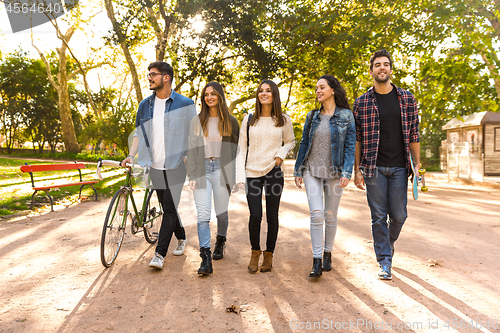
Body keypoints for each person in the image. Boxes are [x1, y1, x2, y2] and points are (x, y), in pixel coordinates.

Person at [122, 61, 196, 270]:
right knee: (167, 208)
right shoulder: (145, 105)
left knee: (171, 209)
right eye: (148, 75)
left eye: (153, 74)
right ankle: (181, 237)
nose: (149, 78)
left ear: (166, 77)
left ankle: (159, 254)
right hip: (155, 165)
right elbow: (139, 133)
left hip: (176, 165)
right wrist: (130, 155)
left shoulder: (185, 104)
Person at [353, 49, 420, 280]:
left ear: (391, 69)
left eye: (386, 64)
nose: (382, 68)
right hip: (373, 168)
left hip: (400, 167)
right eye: (378, 65)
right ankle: (384, 261)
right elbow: (358, 138)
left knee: (400, 215)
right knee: (378, 216)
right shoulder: (361, 102)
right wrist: (356, 170)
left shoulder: (407, 98)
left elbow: (414, 135)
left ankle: (388, 244)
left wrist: (417, 166)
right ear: (371, 70)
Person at [294, 75, 356, 278]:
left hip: (334, 172)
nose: (318, 91)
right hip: (312, 170)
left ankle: (328, 252)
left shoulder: (346, 116)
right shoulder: (312, 116)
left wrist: (347, 172)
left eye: (322, 87)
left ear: (333, 90)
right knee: (317, 214)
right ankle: (317, 260)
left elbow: (349, 146)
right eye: (317, 88)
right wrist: (298, 170)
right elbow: (304, 143)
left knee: (330, 215)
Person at [235, 80, 295, 273]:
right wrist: (239, 175)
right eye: (261, 90)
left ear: (274, 94)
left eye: (268, 91)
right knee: (255, 215)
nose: (264, 93)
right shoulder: (249, 119)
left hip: (274, 172)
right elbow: (242, 147)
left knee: (271, 216)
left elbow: (291, 142)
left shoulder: (283, 119)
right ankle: (255, 252)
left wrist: (281, 154)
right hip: (252, 173)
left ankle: (269, 255)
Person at [186, 82, 240, 276]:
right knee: (203, 215)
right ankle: (205, 257)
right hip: (202, 169)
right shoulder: (196, 121)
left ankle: (221, 240)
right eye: (206, 95)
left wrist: (233, 177)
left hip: (221, 169)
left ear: (220, 96)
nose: (209, 97)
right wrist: (191, 175)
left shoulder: (231, 122)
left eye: (213, 94)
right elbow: (191, 150)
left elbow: (235, 152)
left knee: (221, 213)